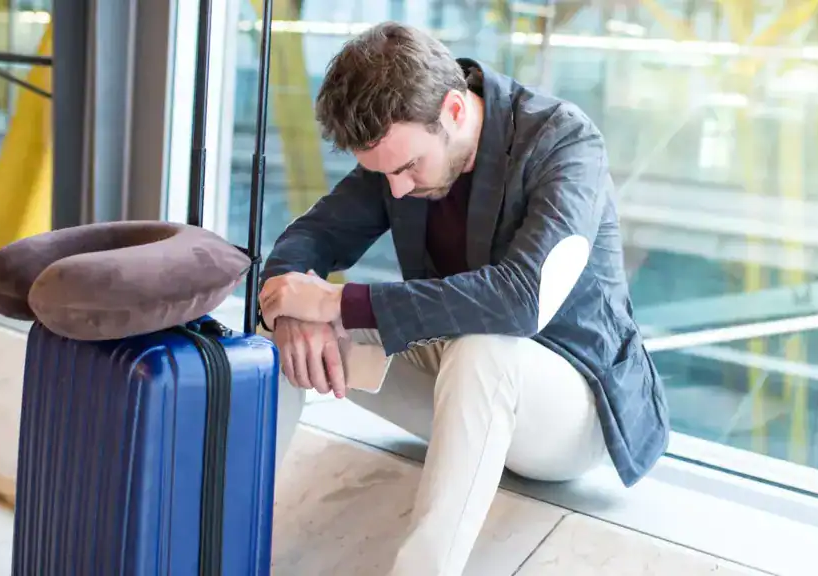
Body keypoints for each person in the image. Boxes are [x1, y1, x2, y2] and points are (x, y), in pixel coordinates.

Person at [257, 21, 670, 576]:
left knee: (484, 349)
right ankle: (232, 538)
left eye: (406, 168)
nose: (396, 189)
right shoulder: (401, 148)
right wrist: (291, 309)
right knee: (274, 331)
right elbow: (311, 238)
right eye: (384, 174)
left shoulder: (563, 142)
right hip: (462, 388)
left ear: (454, 110)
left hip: (576, 408)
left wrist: (333, 303)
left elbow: (522, 301)